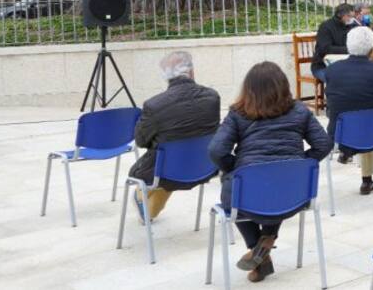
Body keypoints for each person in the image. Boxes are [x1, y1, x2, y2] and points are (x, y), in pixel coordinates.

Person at [208, 61, 331, 282]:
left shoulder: (237, 114)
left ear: (248, 89)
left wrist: (234, 167)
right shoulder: (300, 111)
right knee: (275, 183)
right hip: (294, 193)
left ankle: (257, 248)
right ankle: (267, 239)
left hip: (248, 195)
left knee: (238, 189)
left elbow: (216, 151)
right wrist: (299, 166)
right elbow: (324, 144)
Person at [128, 52, 220, 221]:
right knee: (173, 159)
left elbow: (141, 141)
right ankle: (148, 209)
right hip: (205, 168)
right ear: (191, 72)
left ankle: (143, 201)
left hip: (168, 172)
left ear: (166, 76)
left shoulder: (154, 105)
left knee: (165, 163)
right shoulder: (212, 97)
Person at [324, 26, 373, 195]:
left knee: (357, 120)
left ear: (348, 45)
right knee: (368, 122)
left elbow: (331, 101)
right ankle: (367, 180)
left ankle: (349, 156)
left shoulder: (332, 70)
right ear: (371, 46)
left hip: (340, 136)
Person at [312, 3, 356, 80]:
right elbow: (325, 48)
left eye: (353, 17)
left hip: (346, 65)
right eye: (349, 16)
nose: (351, 19)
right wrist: (349, 49)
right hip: (323, 66)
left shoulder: (351, 26)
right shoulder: (326, 27)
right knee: (339, 80)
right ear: (340, 15)